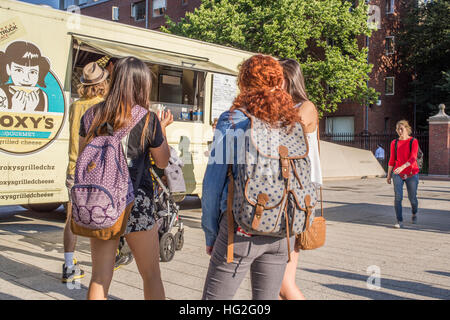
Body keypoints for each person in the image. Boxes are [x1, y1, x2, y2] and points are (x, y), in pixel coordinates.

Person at [201, 54, 306, 300]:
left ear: (244, 84)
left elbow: (213, 184)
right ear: (279, 83)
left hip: (240, 228)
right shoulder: (291, 121)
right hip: (282, 228)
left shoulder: (234, 119)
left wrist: (210, 232)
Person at [78, 56, 170, 300]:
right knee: (150, 274)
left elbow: (82, 157)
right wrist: (162, 130)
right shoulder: (148, 118)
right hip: (136, 202)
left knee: (99, 276)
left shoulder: (90, 115)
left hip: (101, 201)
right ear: (142, 84)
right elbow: (162, 161)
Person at [278, 58, 322, 300]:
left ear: (290, 79)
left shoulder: (306, 106)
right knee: (274, 282)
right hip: (281, 193)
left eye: (278, 79)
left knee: (283, 283)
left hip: (298, 195)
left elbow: (289, 132)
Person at [63, 61, 109, 283]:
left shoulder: (75, 105)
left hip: (74, 167)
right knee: (101, 215)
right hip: (96, 171)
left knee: (71, 218)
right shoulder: (103, 106)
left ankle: (68, 264)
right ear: (102, 84)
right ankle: (107, 261)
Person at [386, 120, 419, 229]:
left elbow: (413, 157)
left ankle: (414, 212)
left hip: (411, 173)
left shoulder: (413, 141)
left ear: (407, 128)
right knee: (398, 197)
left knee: (412, 198)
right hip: (397, 174)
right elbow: (391, 160)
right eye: (397, 129)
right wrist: (389, 174)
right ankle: (399, 221)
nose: (399, 131)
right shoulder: (394, 143)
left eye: (401, 129)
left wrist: (403, 167)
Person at [0, 41, 50, 112]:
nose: (26, 79)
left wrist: (30, 110)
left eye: (32, 72)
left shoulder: (43, 96)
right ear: (8, 69)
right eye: (19, 70)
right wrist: (16, 109)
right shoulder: (1, 93)